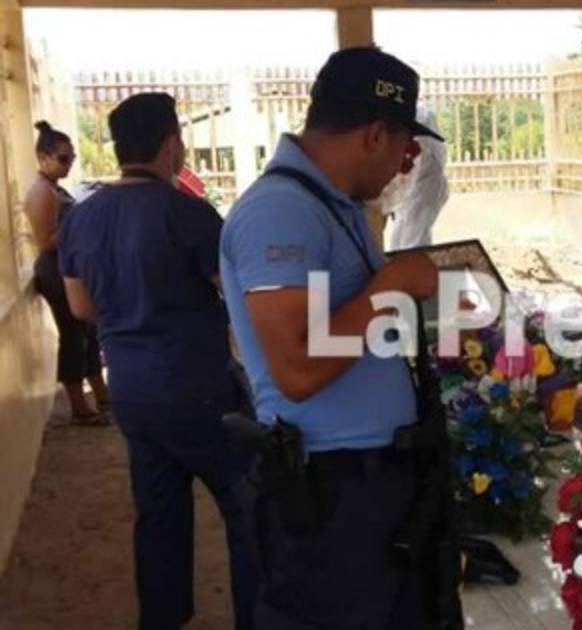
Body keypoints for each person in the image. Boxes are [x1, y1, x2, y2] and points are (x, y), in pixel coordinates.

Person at [220, 47, 450, 629]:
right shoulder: (280, 211)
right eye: (404, 144)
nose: (406, 163)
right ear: (375, 134)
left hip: (369, 479)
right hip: (328, 489)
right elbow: (296, 370)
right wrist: (392, 285)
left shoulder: (333, 205)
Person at [57, 93, 257, 630]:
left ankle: (162, 619)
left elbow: (81, 308)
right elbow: (234, 295)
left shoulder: (81, 218)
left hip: (132, 392)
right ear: (171, 145)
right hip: (200, 392)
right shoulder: (188, 213)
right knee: (247, 508)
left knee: (158, 515)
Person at [23, 121, 110, 424]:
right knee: (73, 336)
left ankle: (101, 395)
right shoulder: (42, 192)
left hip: (69, 266)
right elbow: (46, 240)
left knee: (87, 332)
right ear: (43, 157)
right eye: (63, 158)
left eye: (71, 157)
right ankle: (79, 407)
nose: (69, 163)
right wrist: (82, 227)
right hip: (55, 269)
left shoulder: (54, 188)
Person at [382, 104, 448, 251]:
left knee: (413, 241)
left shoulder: (420, 117)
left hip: (423, 182)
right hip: (415, 183)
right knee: (402, 237)